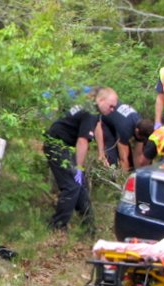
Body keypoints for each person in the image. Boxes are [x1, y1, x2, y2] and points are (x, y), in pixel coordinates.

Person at [44, 87, 119, 230]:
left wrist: (101, 153)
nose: (112, 110)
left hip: (63, 145)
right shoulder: (90, 112)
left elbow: (97, 126)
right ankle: (57, 226)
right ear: (101, 100)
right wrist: (79, 168)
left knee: (81, 185)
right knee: (72, 185)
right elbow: (82, 141)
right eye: (111, 106)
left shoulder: (92, 107)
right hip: (56, 145)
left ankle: (89, 228)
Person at [97, 102, 143, 171]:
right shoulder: (125, 130)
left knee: (131, 163)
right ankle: (112, 171)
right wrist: (124, 176)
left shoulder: (141, 124)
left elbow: (138, 153)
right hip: (105, 122)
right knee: (113, 160)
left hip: (118, 121)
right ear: (137, 131)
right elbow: (123, 159)